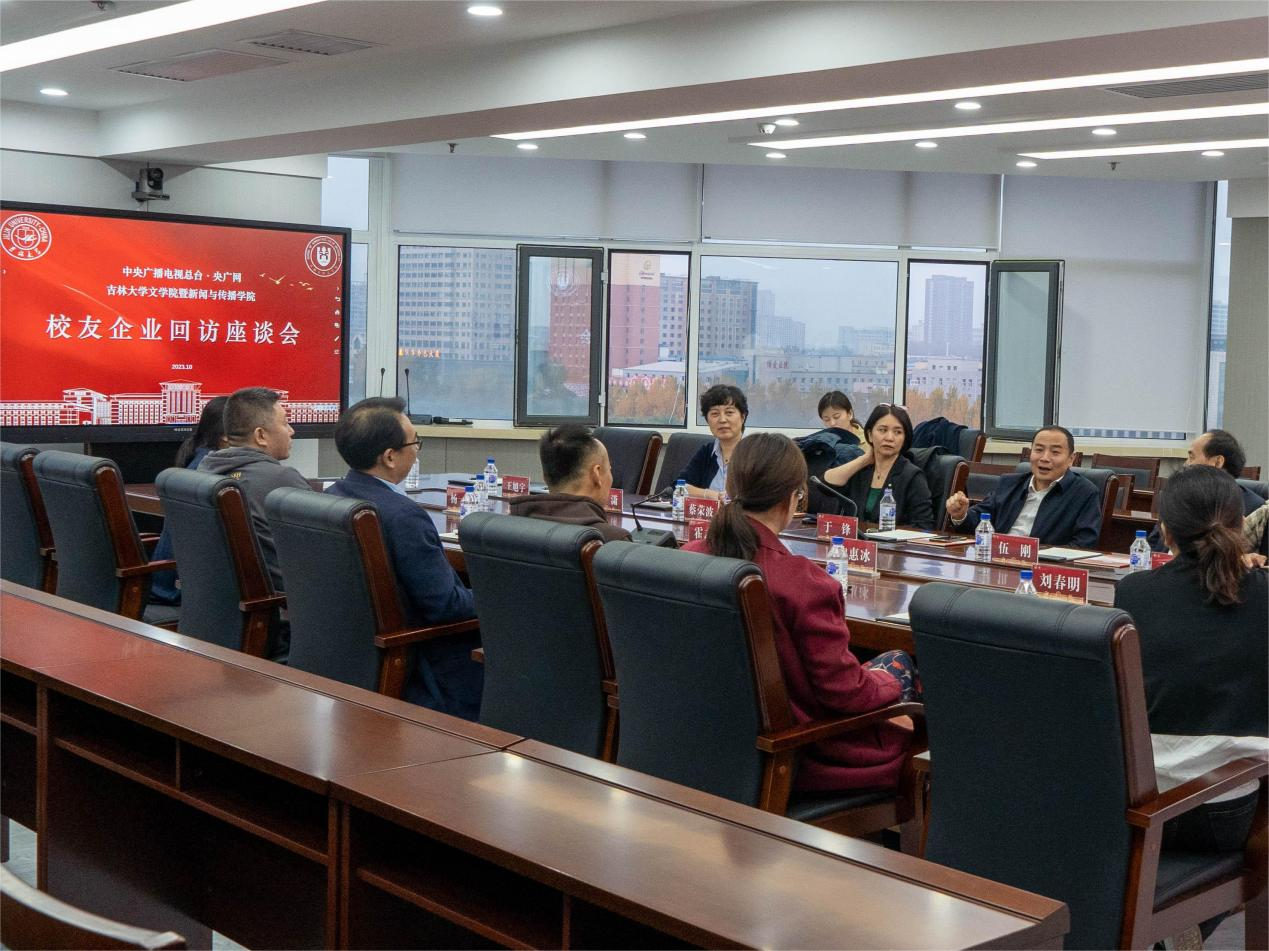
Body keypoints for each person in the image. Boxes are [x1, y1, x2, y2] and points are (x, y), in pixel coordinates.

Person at [683, 432, 917, 792]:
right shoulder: (802, 582)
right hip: (797, 754)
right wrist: (893, 683)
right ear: (793, 497)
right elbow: (845, 693)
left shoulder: (689, 557)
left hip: (702, 741)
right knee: (904, 672)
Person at [1114, 465, 1266, 938]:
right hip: (1225, 812)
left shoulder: (1134, 592)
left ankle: (1175, 928)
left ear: (1164, 530)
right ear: (1240, 526)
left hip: (1136, 803)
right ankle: (1185, 928)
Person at [326, 397, 482, 719]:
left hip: (348, 656)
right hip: (426, 667)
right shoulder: (403, 516)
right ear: (389, 456)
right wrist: (503, 600)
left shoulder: (332, 497)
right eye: (415, 442)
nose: (417, 451)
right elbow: (446, 607)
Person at [198, 387, 311, 592]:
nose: (291, 431)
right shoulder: (281, 479)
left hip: (222, 597)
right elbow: (323, 544)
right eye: (285, 423)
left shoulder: (205, 469)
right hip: (286, 598)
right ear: (260, 435)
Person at [945, 425, 1100, 547]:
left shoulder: (1084, 493)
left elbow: (1085, 543)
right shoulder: (1009, 483)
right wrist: (961, 515)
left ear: (1071, 459)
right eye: (1039, 450)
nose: (1045, 458)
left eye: (1055, 452)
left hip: (1043, 567)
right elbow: (980, 521)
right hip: (999, 559)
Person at [150, 396, 228, 605]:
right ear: (226, 437)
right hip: (183, 594)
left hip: (166, 587)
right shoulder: (215, 475)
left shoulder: (197, 463)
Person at [508, 424, 629, 542]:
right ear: (596, 474)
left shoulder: (510, 528)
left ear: (545, 477)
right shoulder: (614, 540)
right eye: (609, 469)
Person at [821, 404, 934, 529]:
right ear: (869, 434)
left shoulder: (912, 476)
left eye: (897, 432)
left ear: (905, 439)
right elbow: (825, 485)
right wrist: (863, 460)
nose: (889, 438)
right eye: (882, 430)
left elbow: (924, 526)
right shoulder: (861, 470)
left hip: (894, 541)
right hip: (858, 540)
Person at [1149, 429, 1265, 552]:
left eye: (1191, 457)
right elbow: (1152, 545)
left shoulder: (1254, 509)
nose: (1186, 464)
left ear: (1217, 462)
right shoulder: (1179, 495)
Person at [676, 384, 746, 501]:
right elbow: (679, 486)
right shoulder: (706, 452)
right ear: (707, 420)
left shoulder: (756, 453)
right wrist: (708, 494)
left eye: (729, 412)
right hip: (709, 513)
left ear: (743, 417)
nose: (722, 420)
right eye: (715, 414)